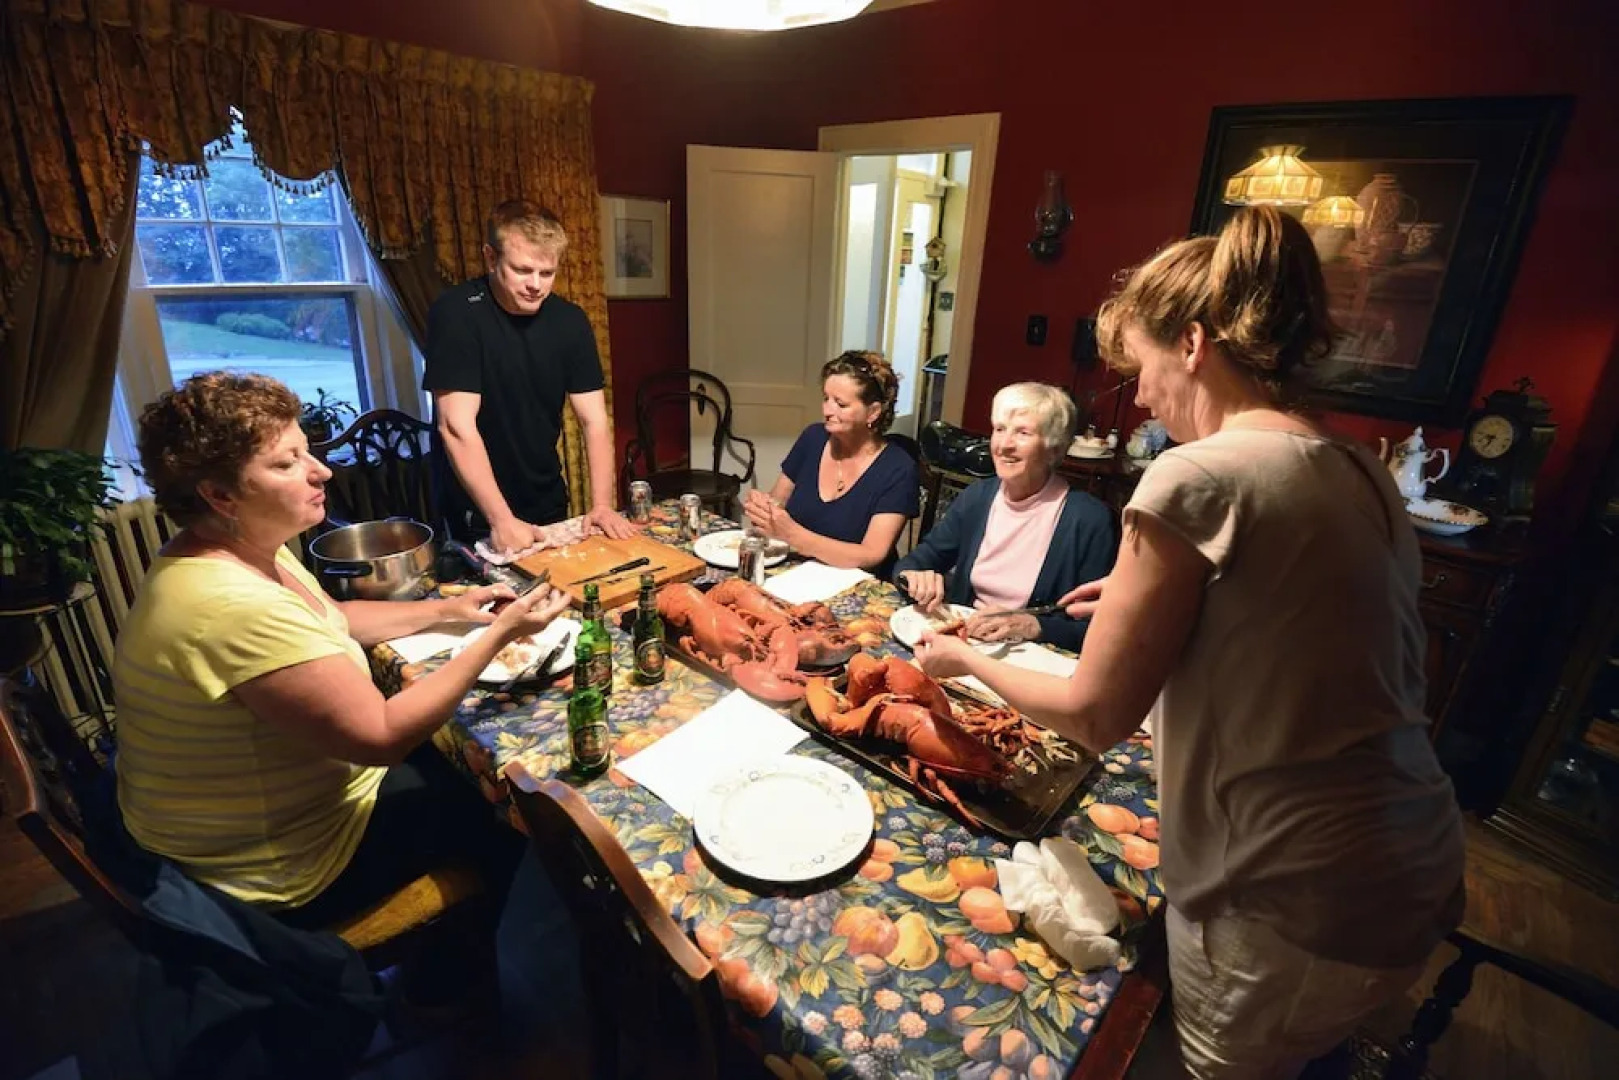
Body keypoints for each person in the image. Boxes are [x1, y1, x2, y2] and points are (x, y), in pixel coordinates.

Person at [916, 208, 1465, 1079]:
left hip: (1290, 888)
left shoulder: (1198, 472)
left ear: (1194, 344)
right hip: (1411, 857)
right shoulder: (1353, 463)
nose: (1137, 394)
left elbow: (1092, 716)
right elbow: (1296, 631)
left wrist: (962, 659)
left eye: (1139, 365)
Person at [114, 372, 573, 938]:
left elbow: (333, 618)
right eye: (286, 463)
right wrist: (498, 635)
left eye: (307, 451)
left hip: (266, 816)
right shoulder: (229, 605)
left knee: (459, 759)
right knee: (497, 804)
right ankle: (450, 982)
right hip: (274, 868)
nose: (321, 471)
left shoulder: (242, 549)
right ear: (220, 494)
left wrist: (450, 611)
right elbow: (380, 736)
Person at [425, 198, 636, 552]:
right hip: (477, 508)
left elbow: (595, 420)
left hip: (546, 495)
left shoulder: (570, 321)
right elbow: (456, 426)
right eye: (522, 270)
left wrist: (602, 505)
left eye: (547, 273)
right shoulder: (456, 314)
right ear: (491, 258)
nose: (535, 284)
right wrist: (500, 519)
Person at [893, 382, 1115, 650]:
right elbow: (913, 563)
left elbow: (1099, 628)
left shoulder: (1090, 520)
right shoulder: (977, 498)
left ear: (1054, 448)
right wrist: (915, 577)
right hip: (967, 647)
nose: (1004, 445)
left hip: (1030, 662)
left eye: (1023, 433)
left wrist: (1034, 626)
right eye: (999, 429)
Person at [744, 351, 919, 579]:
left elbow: (872, 554)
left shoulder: (898, 468)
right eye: (826, 398)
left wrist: (796, 537)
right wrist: (764, 509)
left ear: (873, 412)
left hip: (857, 585)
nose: (827, 411)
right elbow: (778, 501)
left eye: (841, 404)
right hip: (799, 574)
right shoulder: (813, 438)